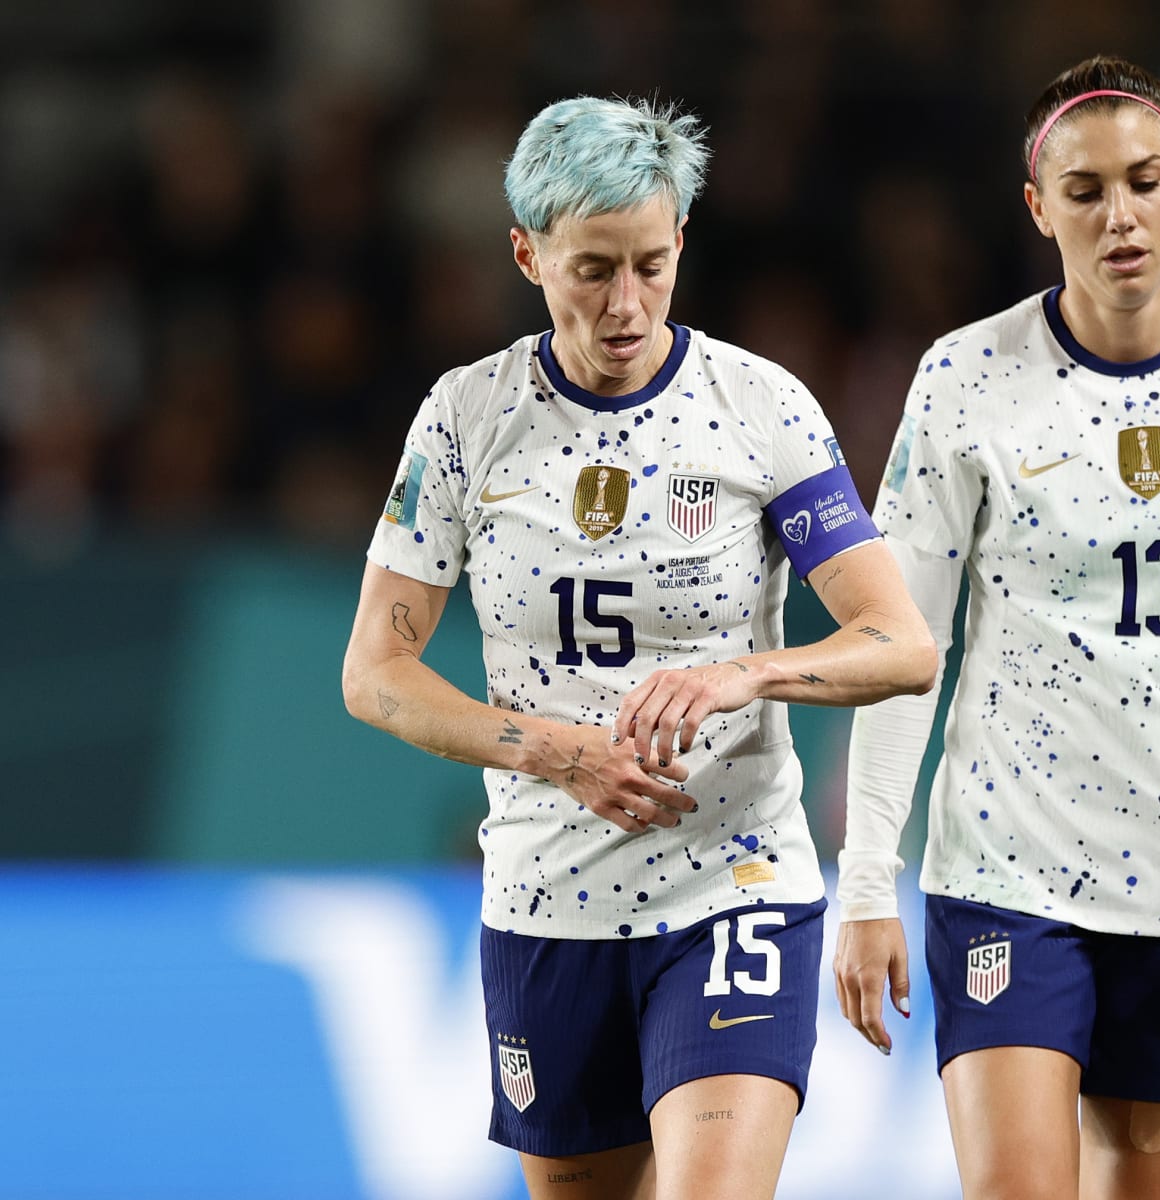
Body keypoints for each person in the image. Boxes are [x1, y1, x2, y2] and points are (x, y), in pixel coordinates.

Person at [340, 95, 935, 1200]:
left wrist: (742, 673)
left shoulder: (761, 409)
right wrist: (559, 753)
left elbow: (900, 645)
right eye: (593, 269)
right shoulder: (467, 419)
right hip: (545, 904)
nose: (627, 303)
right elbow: (376, 674)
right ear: (527, 254)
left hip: (733, 885)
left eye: (653, 265)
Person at [832, 55, 1160, 1199]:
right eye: (1084, 191)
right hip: (1009, 870)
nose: (1118, 214)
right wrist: (868, 878)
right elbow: (901, 652)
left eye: (1143, 180)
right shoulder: (965, 378)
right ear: (1039, 209)